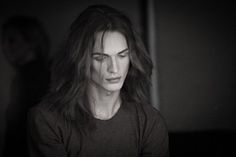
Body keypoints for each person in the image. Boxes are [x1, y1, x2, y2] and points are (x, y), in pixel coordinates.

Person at [27, 5, 169, 157]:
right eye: (101, 58)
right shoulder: (47, 119)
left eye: (122, 55)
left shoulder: (149, 121)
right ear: (80, 60)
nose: (114, 68)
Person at [1, 15, 51, 157]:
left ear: (31, 41)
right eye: (3, 40)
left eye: (11, 40)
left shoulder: (33, 77)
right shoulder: (27, 75)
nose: (4, 46)